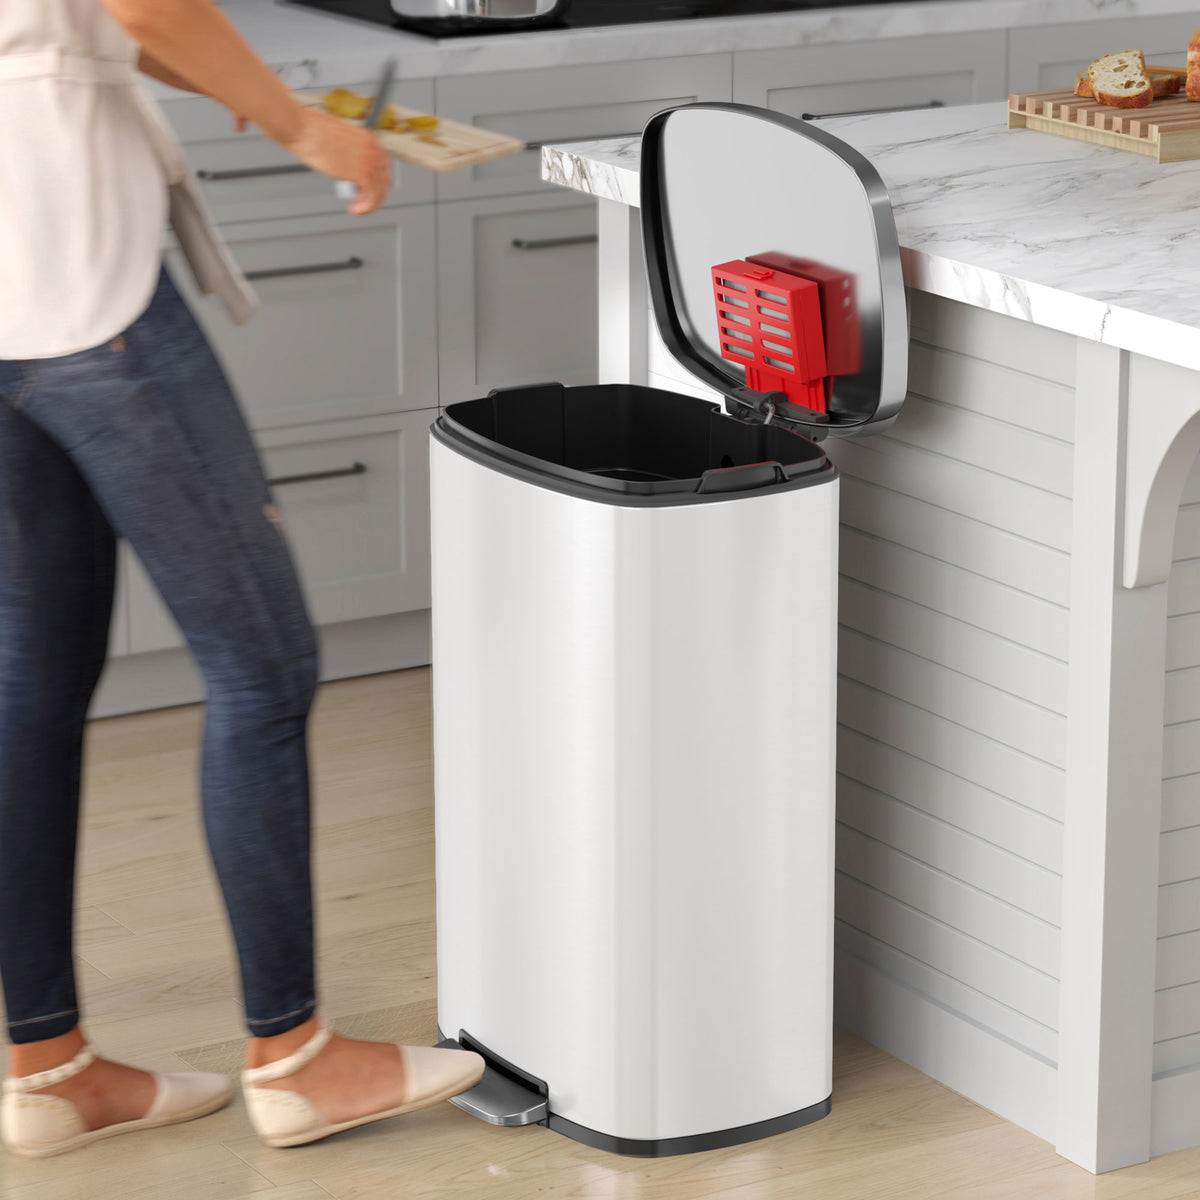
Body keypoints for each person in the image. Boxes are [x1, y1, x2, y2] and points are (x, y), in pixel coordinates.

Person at [0, 0, 484, 1159]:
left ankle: (47, 1070)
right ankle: (300, 1059)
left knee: (31, 674)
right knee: (263, 665)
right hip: (75, 265)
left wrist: (249, 88)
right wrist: (308, 133)